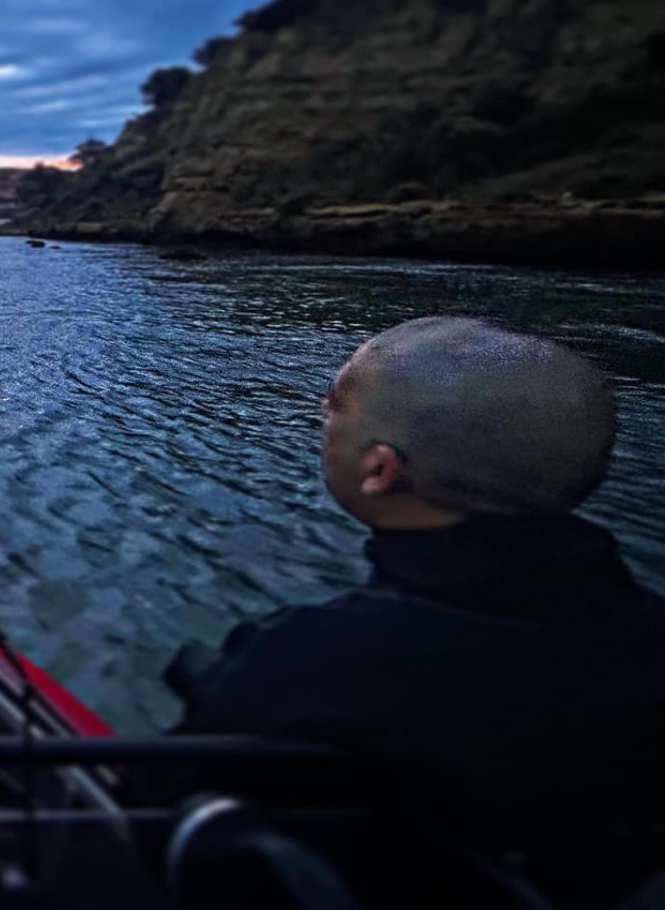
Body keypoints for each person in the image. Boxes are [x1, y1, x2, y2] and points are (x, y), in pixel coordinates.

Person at [164, 317, 665, 906]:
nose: (321, 427)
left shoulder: (310, 660)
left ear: (380, 469)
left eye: (331, 413)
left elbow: (154, 807)